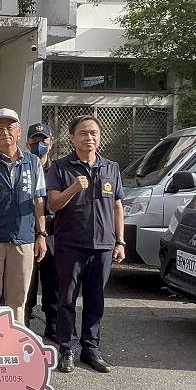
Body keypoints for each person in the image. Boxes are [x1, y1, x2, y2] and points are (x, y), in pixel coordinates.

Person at [47, 115, 125, 374]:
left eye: (93, 133)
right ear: (72, 138)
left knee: (96, 300)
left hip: (103, 246)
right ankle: (66, 348)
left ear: (99, 137)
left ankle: (91, 348)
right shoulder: (60, 167)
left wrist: (120, 241)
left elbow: (117, 206)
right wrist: (72, 189)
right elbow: (53, 204)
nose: (89, 137)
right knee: (67, 299)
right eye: (83, 133)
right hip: (70, 244)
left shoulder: (111, 167)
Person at [0, 108, 47, 325]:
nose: (5, 132)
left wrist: (41, 234)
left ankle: (15, 347)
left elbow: (39, 200)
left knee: (18, 299)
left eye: (10, 127)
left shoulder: (33, 162)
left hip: (23, 238)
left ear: (19, 132)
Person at [24, 123, 58, 340]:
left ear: (51, 142)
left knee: (53, 280)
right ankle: (24, 321)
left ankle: (53, 323)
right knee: (26, 281)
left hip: (54, 233)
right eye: (35, 141)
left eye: (43, 140)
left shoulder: (58, 169)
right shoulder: (24, 166)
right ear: (27, 143)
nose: (39, 145)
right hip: (28, 231)